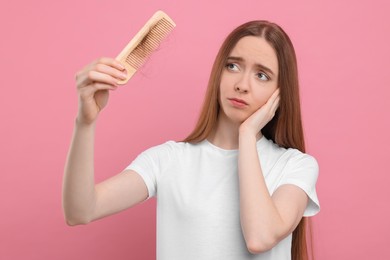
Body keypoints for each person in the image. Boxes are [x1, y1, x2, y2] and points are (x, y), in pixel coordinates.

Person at [63, 20, 320, 260]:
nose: (242, 84)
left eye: (261, 75)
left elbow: (260, 237)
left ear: (280, 93)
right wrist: (85, 123)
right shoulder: (168, 159)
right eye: (232, 66)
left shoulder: (295, 166)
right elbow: (80, 211)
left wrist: (247, 136)